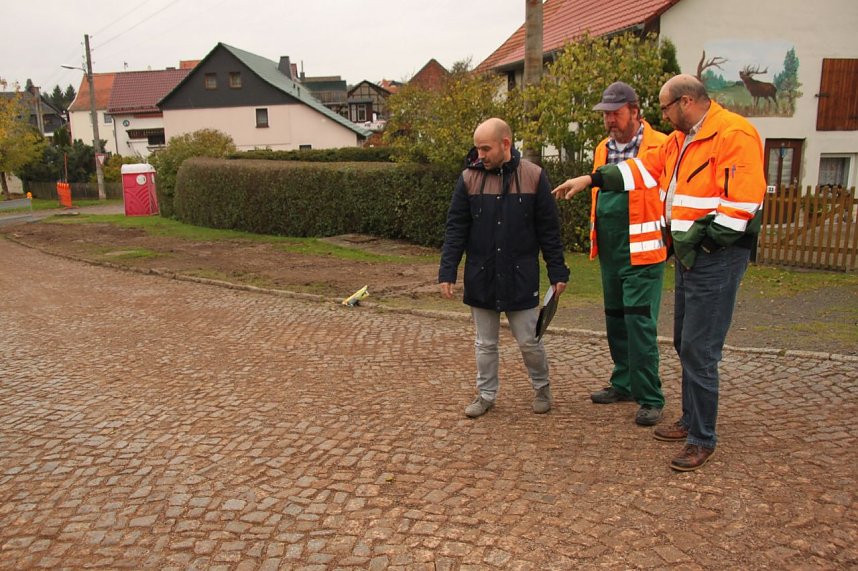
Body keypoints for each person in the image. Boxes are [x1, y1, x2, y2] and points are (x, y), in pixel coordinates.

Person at [553, 75, 765, 471]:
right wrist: (591, 179)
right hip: (691, 256)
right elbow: (641, 171)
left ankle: (702, 437)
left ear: (685, 102)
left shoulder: (734, 134)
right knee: (685, 341)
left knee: (700, 350)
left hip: (715, 257)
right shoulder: (679, 141)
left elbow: (745, 203)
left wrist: (704, 243)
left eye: (666, 108)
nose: (662, 115)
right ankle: (688, 420)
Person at [439, 118, 569, 418]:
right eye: (477, 148)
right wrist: (448, 270)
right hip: (481, 274)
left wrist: (558, 271)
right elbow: (456, 228)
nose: (480, 155)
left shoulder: (534, 176)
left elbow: (549, 230)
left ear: (506, 143)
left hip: (519, 276)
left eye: (486, 148)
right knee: (485, 343)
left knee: (529, 340)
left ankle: (542, 387)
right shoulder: (469, 179)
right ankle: (485, 394)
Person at [556, 82, 668, 427]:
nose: (609, 121)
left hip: (645, 249)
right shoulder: (602, 148)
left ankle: (650, 396)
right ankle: (624, 382)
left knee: (639, 323)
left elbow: (639, 183)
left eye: (615, 113)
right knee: (615, 319)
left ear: (635, 110)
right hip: (611, 249)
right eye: (605, 114)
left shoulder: (661, 145)